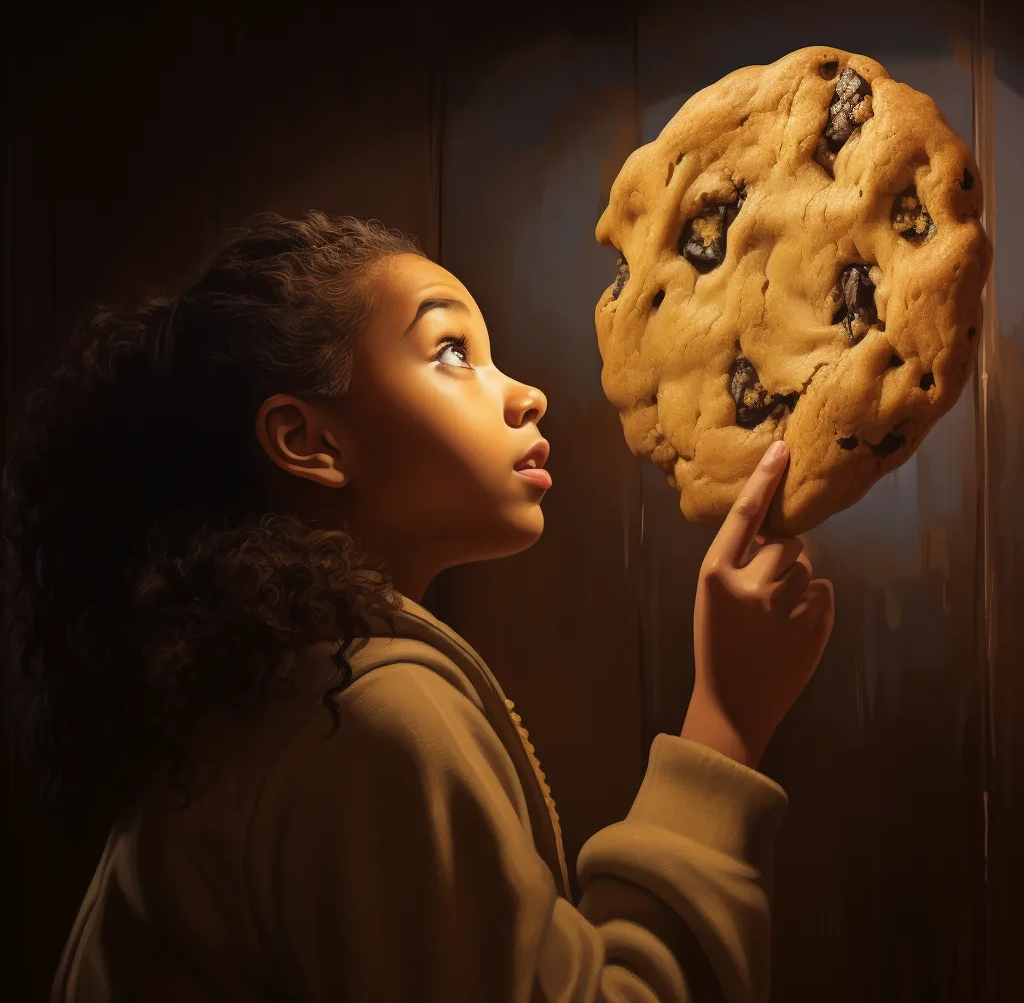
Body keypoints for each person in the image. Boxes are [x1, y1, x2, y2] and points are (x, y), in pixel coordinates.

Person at [1, 211, 834, 1002]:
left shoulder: (265, 702)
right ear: (310, 441)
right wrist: (723, 720)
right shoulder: (356, 718)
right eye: (451, 352)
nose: (527, 394)